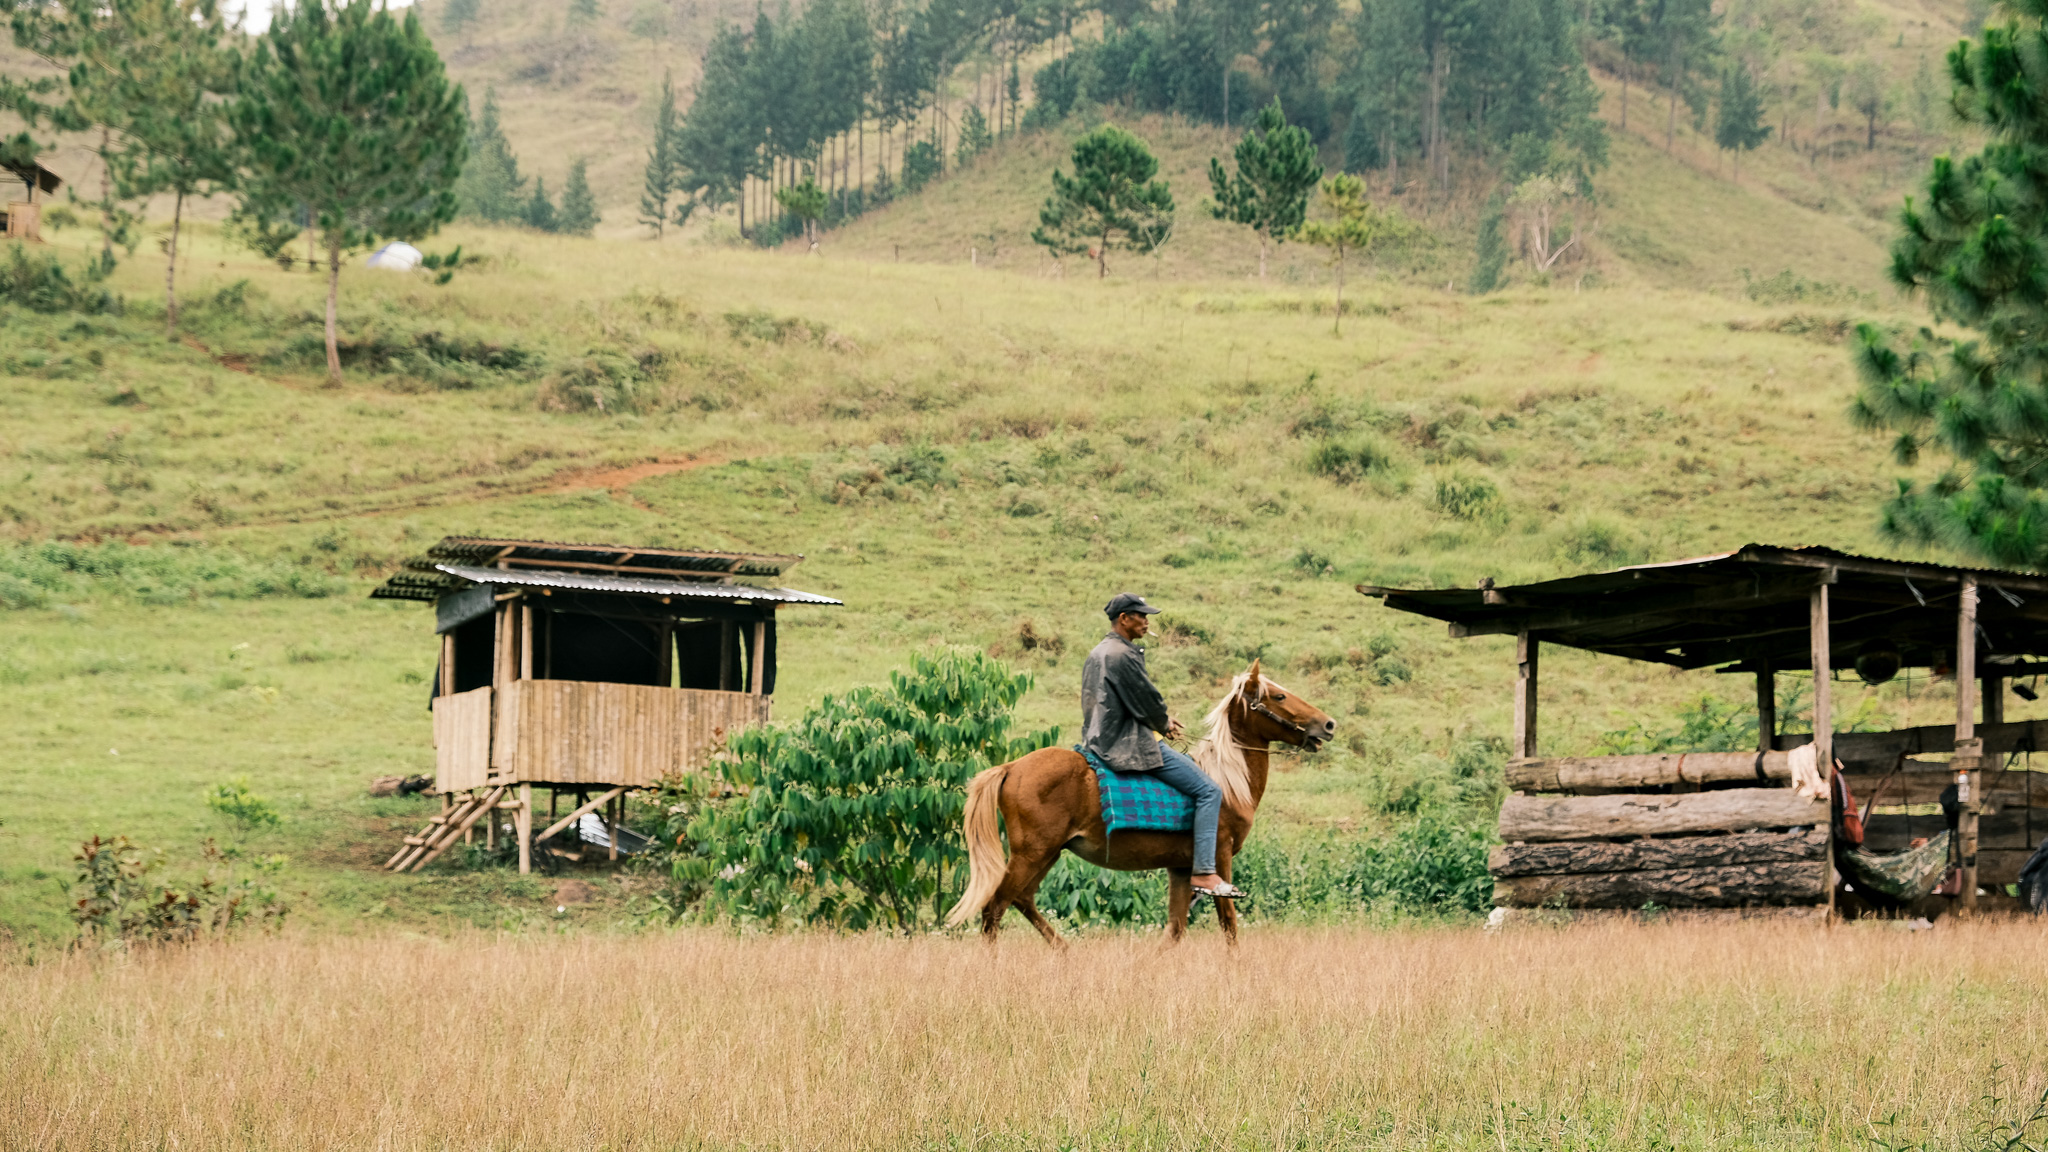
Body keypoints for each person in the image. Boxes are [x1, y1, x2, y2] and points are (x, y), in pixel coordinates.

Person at [1081, 593, 1246, 900]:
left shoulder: (1098, 652)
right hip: (1128, 742)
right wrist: (1164, 723)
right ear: (1124, 619)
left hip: (1097, 737)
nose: (1146, 621)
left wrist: (1159, 720)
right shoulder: (1124, 654)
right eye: (1141, 615)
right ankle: (1205, 873)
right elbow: (1148, 699)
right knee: (1209, 791)